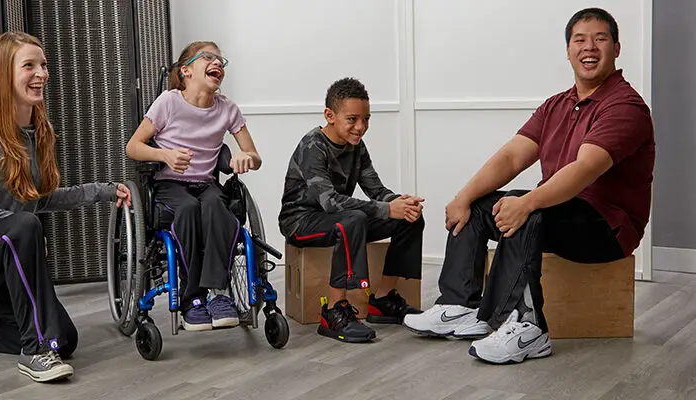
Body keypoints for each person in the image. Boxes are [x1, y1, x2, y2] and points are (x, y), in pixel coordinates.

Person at [403, 7, 655, 364]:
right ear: (567, 50)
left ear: (616, 47)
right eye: (579, 40)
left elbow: (585, 169)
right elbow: (511, 157)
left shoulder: (625, 106)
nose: (590, 47)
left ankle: (527, 326)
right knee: (478, 206)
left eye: (600, 39)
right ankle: (460, 305)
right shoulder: (557, 105)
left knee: (527, 210)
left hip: (607, 228)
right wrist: (463, 196)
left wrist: (527, 202)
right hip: (561, 213)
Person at [0, 31, 132, 382]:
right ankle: (35, 353)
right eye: (29, 65)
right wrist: (23, 231)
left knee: (65, 339)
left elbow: (40, 199)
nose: (42, 73)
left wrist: (104, 191)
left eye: (44, 65)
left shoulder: (37, 130)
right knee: (24, 228)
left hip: (3, 262)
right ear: (4, 74)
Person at [126, 41, 262, 332]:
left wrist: (243, 156)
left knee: (217, 207)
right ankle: (192, 298)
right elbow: (133, 147)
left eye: (221, 60)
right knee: (187, 209)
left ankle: (219, 293)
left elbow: (255, 157)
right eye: (209, 57)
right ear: (186, 70)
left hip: (206, 183)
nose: (218, 63)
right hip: (169, 184)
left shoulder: (227, 109)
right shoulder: (169, 102)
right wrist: (164, 155)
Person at [278, 77, 426, 343]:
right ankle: (334, 311)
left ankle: (382, 300)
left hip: (339, 219)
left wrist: (401, 203)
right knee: (352, 220)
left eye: (366, 119)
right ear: (330, 115)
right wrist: (385, 209)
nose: (361, 127)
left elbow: (376, 191)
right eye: (353, 119)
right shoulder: (312, 146)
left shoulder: (357, 147)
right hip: (300, 222)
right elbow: (330, 202)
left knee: (409, 219)